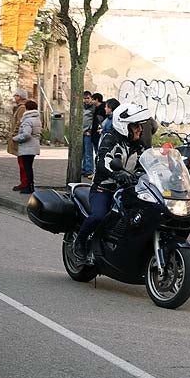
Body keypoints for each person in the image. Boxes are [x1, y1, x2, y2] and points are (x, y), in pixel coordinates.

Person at [74, 102, 151, 259]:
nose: (140, 129)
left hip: (128, 189)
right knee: (99, 216)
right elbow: (103, 162)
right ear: (125, 126)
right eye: (136, 126)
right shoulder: (110, 139)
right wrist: (117, 175)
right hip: (104, 189)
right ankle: (80, 242)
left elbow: (148, 162)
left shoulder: (138, 145)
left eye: (140, 126)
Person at [13, 99, 42, 194]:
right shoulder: (37, 119)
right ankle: (30, 186)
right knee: (29, 167)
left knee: (27, 168)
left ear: (27, 109)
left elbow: (26, 134)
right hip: (34, 146)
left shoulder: (27, 120)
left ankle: (29, 187)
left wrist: (16, 138)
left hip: (27, 147)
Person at [8, 88, 29, 190]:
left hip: (20, 138)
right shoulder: (20, 108)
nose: (14, 98)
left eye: (16, 96)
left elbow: (20, 123)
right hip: (19, 137)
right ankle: (23, 182)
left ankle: (25, 183)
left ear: (19, 97)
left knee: (23, 163)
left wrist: (14, 135)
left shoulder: (22, 108)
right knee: (21, 162)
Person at [81, 90, 96, 178]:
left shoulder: (93, 107)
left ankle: (89, 170)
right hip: (81, 132)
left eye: (88, 98)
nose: (86, 100)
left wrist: (90, 130)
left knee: (88, 152)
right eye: (84, 98)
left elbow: (94, 120)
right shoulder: (81, 107)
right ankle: (84, 169)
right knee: (82, 152)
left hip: (88, 133)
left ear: (91, 98)